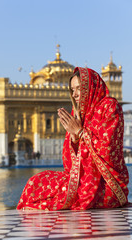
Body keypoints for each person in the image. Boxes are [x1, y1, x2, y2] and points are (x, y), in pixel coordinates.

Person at [17, 67, 129, 211]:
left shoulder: (110, 107)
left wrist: (80, 132)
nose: (75, 94)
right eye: (72, 90)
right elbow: (69, 164)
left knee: (67, 194)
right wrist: (74, 139)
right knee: (36, 181)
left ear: (91, 87)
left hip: (108, 184)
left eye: (79, 89)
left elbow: (108, 150)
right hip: (83, 178)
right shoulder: (79, 111)